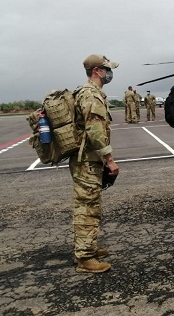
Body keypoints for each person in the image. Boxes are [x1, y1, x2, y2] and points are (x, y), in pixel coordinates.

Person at [71, 54, 120, 273]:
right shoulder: (91, 95)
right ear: (97, 71)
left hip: (88, 160)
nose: (110, 73)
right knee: (87, 207)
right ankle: (84, 258)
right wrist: (109, 160)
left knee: (90, 205)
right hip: (88, 161)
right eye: (107, 69)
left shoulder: (90, 93)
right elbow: (95, 131)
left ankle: (86, 248)